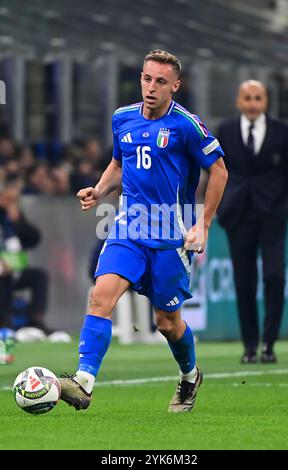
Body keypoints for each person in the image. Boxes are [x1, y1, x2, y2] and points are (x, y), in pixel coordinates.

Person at [59, 50, 228, 412]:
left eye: (161, 82)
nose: (152, 88)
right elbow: (120, 163)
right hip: (128, 228)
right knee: (101, 295)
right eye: (147, 79)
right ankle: (84, 382)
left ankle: (189, 376)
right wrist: (99, 189)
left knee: (167, 323)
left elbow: (220, 171)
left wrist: (203, 223)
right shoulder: (122, 118)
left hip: (171, 235)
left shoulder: (186, 125)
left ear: (175, 86)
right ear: (140, 78)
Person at [217, 80, 288, 364]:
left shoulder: (284, 132)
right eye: (247, 98)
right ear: (239, 102)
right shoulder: (225, 131)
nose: (252, 103)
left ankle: (269, 343)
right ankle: (250, 345)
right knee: (244, 281)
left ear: (266, 101)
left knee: (274, 276)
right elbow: (218, 171)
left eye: (258, 98)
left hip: (273, 214)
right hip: (238, 214)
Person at [0, 178, 51, 334]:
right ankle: (4, 324)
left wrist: (16, 222)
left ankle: (35, 321)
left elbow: (33, 238)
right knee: (3, 278)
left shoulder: (12, 214)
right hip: (2, 271)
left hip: (14, 268)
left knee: (39, 276)